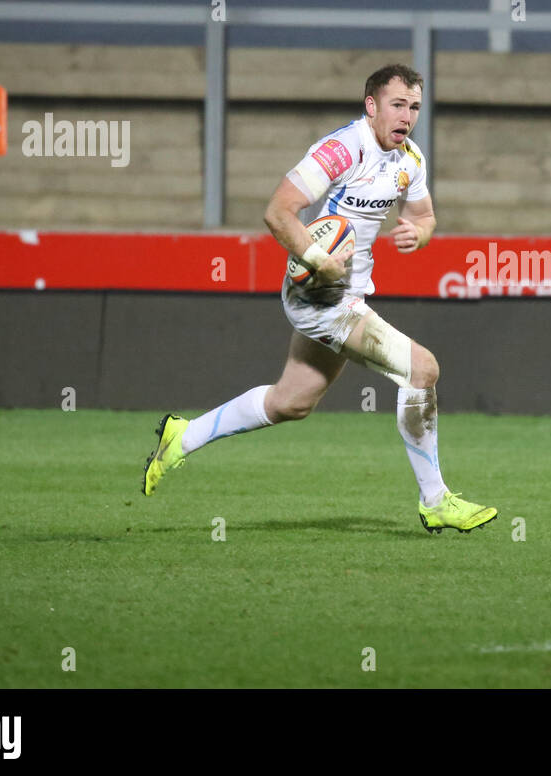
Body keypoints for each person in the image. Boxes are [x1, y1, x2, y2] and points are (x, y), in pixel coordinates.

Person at [140, 64, 498, 534]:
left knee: (292, 401)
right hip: (321, 295)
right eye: (396, 105)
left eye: (413, 106)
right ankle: (436, 500)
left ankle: (182, 437)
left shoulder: (409, 159)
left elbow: (426, 214)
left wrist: (422, 232)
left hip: (349, 294)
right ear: (371, 107)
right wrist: (317, 258)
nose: (406, 116)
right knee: (422, 369)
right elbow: (277, 212)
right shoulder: (341, 149)